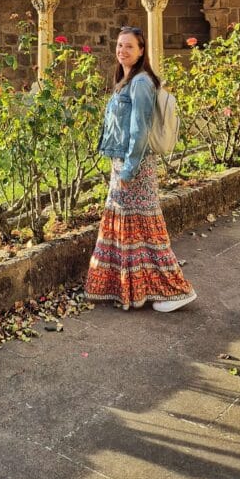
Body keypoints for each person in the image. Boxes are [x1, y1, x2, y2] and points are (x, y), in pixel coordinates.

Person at [85, 26, 197, 312]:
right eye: (120, 46)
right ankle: (131, 288)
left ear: (141, 50)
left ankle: (175, 290)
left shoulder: (141, 83)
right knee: (131, 228)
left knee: (145, 229)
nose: (122, 51)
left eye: (129, 46)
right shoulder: (126, 80)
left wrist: (129, 170)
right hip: (123, 162)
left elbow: (140, 129)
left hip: (135, 165)